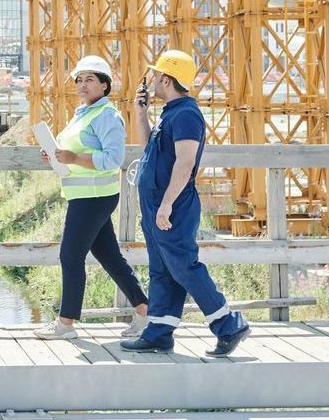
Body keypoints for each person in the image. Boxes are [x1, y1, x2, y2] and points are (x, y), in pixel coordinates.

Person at [120, 49, 251, 357]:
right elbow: (150, 150)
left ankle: (228, 324)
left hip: (173, 204)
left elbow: (185, 162)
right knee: (162, 268)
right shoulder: (171, 113)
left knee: (183, 266)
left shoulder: (186, 115)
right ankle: (158, 332)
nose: (152, 79)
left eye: (156, 75)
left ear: (167, 80)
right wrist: (141, 116)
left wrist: (167, 204)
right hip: (157, 203)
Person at [33, 55, 150, 340]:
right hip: (85, 195)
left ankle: (65, 324)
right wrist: (56, 155)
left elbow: (113, 159)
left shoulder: (107, 115)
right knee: (109, 256)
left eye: (90, 79)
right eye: (79, 80)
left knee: (70, 255)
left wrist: (73, 157)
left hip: (94, 196)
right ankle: (146, 311)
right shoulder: (83, 113)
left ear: (104, 85)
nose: (82, 85)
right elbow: (75, 152)